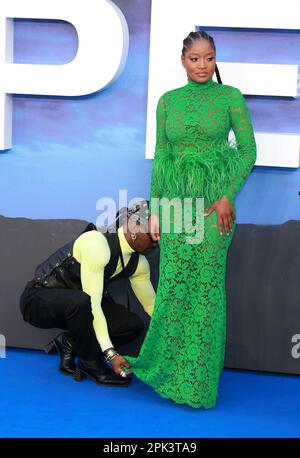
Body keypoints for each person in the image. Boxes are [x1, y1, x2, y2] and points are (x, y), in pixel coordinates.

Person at [124, 31, 257, 408]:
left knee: (207, 294)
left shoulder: (229, 97)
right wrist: (155, 212)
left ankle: (197, 383)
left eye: (209, 58)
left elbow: (248, 151)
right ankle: (168, 371)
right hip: (175, 209)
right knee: (174, 291)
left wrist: (227, 195)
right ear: (183, 60)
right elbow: (162, 160)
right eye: (195, 58)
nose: (202, 65)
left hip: (214, 209)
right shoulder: (167, 103)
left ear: (216, 60)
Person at [20, 201, 157, 387]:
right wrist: (111, 354)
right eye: (154, 234)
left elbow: (152, 307)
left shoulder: (139, 264)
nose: (157, 242)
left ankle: (70, 342)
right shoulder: (97, 243)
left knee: (130, 325)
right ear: (135, 225)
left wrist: (178, 336)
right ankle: (92, 364)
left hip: (80, 305)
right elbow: (92, 303)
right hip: (38, 300)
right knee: (83, 302)